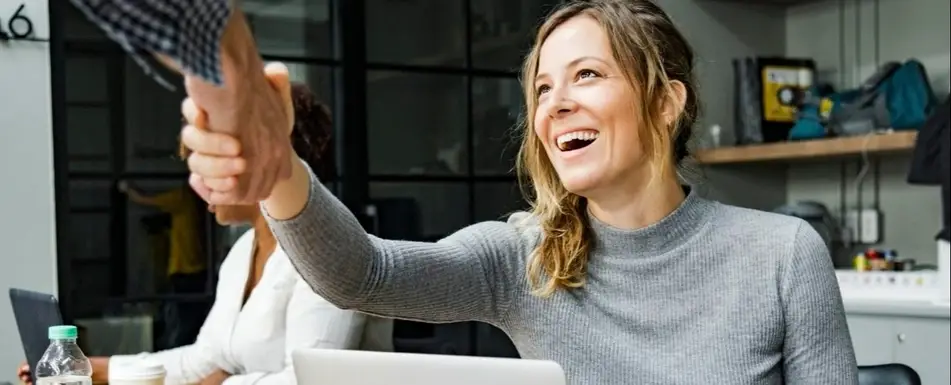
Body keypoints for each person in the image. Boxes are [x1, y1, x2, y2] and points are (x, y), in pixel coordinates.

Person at [71, 0, 858, 384]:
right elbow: (364, 274)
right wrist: (279, 172)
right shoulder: (522, 255)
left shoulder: (781, 253)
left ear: (665, 102)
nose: (556, 104)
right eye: (543, 87)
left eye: (587, 75)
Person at [18, 80, 363, 385]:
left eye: (208, 161)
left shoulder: (330, 249)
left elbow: (311, 379)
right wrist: (94, 370)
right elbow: (201, 362)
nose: (197, 179)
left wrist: (225, 382)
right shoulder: (244, 251)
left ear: (261, 160)